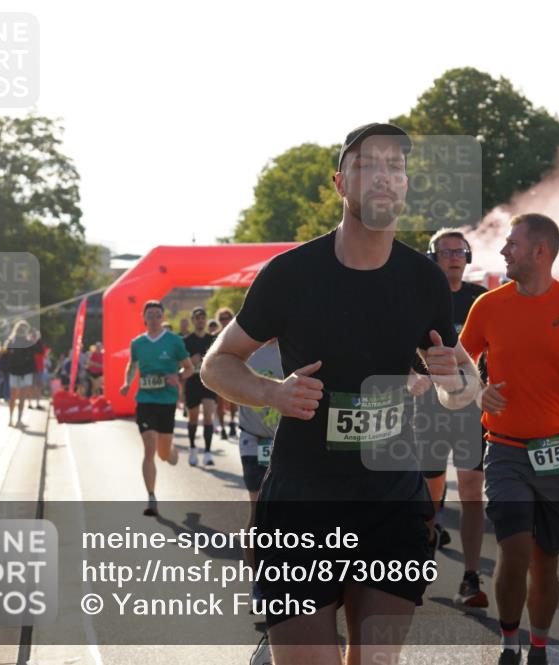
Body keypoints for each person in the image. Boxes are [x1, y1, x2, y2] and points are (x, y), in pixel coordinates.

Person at [201, 122, 480, 665]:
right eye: (367, 164)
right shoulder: (290, 274)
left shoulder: (422, 280)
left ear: (404, 187)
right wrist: (271, 393)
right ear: (340, 182)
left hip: (391, 502)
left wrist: (452, 384)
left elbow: (463, 387)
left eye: (396, 167)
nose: (384, 176)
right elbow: (217, 363)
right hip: (302, 502)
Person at [460, 213, 559, 665]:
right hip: (506, 448)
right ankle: (509, 642)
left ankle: (539, 647)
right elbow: (460, 362)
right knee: (513, 550)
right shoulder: (489, 306)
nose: (504, 250)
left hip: (558, 451)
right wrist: (477, 390)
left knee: (546, 559)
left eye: (512, 243)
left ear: (540, 251)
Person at [417, 227, 490, 609]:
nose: (454, 256)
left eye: (460, 250)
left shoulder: (482, 301)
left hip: (469, 410)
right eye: (445, 251)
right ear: (433, 257)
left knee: (472, 489)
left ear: (469, 257)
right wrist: (413, 377)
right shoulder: (419, 298)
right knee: (430, 492)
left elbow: (496, 350)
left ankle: (470, 577)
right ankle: (425, 550)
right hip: (428, 409)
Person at [120, 299, 195, 517]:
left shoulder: (174, 341)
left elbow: (189, 368)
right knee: (149, 445)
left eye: (157, 315)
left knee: (163, 453)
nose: (153, 319)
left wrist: (178, 376)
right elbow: (132, 365)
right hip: (145, 400)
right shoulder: (138, 343)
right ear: (144, 318)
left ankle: (171, 453)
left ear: (163, 317)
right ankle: (151, 497)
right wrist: (127, 382)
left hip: (167, 401)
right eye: (149, 315)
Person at [238, 338, 283, 665]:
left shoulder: (300, 341)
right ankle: (258, 584)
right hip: (255, 439)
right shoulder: (246, 346)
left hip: (289, 441)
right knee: (259, 512)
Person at [182, 307, 219, 466]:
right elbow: (180, 365)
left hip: (208, 383)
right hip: (192, 383)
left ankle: (208, 453)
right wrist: (192, 361)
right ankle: (192, 448)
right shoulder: (186, 341)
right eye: (197, 318)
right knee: (193, 418)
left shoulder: (212, 340)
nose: (200, 320)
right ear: (192, 320)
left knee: (208, 417)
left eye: (203, 318)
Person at [2, 321, 43, 427]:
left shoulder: (11, 341)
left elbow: (4, 356)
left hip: (14, 372)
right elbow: (39, 351)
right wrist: (37, 339)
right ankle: (19, 420)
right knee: (22, 397)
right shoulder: (28, 341)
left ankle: (11, 419)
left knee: (13, 397)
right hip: (26, 372)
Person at [214, 307, 237, 439]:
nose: (224, 320)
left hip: (234, 370)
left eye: (227, 317)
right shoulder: (215, 336)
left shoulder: (238, 334)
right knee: (220, 402)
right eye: (222, 318)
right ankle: (222, 428)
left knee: (234, 400)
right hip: (219, 373)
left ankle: (233, 422)